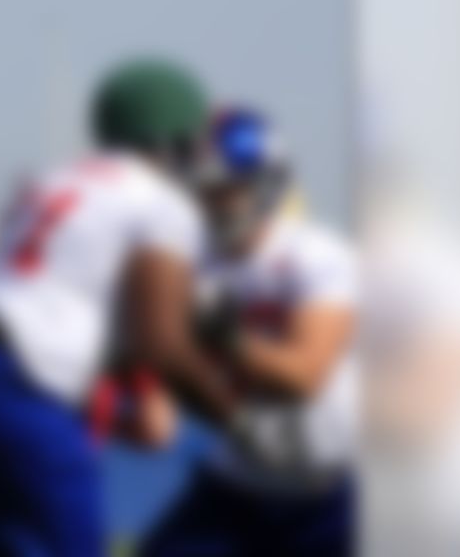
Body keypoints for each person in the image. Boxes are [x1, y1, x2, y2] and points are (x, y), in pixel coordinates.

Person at [0, 59, 240, 556]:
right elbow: (160, 343)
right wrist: (238, 419)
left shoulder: (53, 179)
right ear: (178, 142)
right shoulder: (161, 202)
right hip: (12, 376)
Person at [139, 107, 357, 557]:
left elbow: (305, 376)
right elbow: (166, 374)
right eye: (202, 191)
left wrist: (227, 338)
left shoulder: (316, 256)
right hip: (237, 484)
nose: (212, 202)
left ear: (264, 182)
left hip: (331, 491)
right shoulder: (188, 263)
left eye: (226, 189)